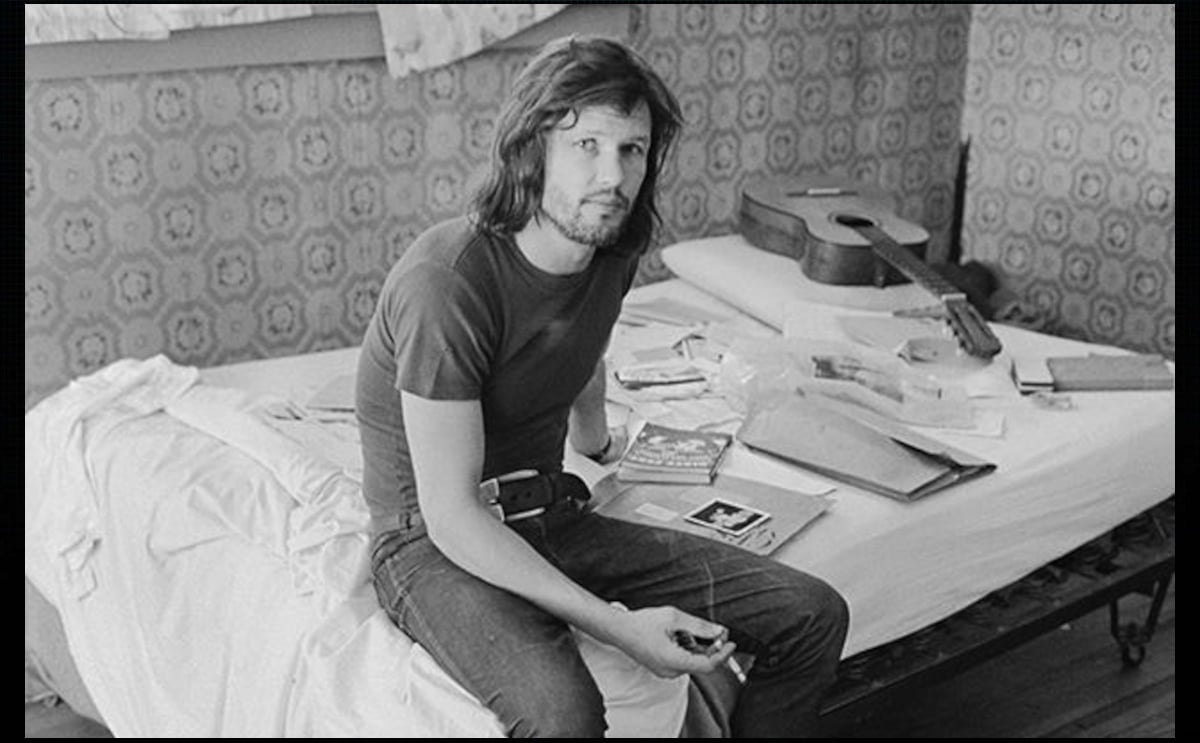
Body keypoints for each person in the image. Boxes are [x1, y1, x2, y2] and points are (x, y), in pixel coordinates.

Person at [356, 35, 849, 737]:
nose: (613, 175)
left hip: (550, 509)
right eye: (586, 145)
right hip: (434, 541)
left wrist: (596, 441)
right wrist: (619, 627)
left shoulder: (612, 249)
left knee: (813, 614)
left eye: (632, 150)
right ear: (533, 149)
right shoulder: (447, 282)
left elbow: (584, 346)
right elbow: (451, 513)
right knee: (566, 715)